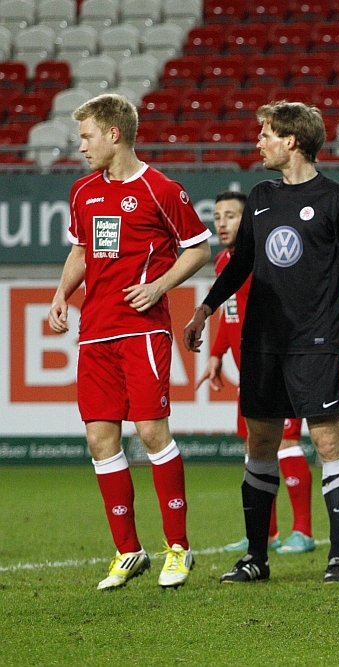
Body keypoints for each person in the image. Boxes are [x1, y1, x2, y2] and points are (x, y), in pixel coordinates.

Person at [182, 101, 339, 584]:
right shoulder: (261, 196)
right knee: (260, 443)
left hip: (317, 339)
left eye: (266, 134)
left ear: (291, 140)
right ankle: (255, 557)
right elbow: (241, 262)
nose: (258, 143)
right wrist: (205, 309)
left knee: (327, 439)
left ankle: (338, 557)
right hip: (263, 343)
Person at [47, 94, 211, 590]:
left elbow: (199, 248)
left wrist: (160, 286)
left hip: (142, 330)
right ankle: (127, 551)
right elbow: (81, 248)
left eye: (87, 136)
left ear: (113, 134)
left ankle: (178, 549)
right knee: (100, 439)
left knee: (151, 432)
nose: (81, 147)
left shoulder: (161, 189)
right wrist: (61, 294)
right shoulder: (83, 192)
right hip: (95, 331)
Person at [195, 191, 316, 556]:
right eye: (217, 216)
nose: (221, 223)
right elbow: (229, 312)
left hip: (280, 364)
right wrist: (216, 354)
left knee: (287, 443)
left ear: (248, 221)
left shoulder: (268, 258)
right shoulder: (222, 262)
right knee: (255, 447)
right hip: (249, 370)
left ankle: (304, 532)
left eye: (231, 215)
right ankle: (265, 533)